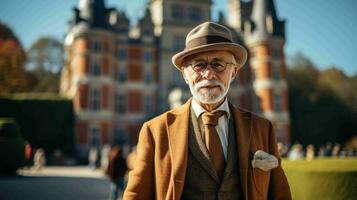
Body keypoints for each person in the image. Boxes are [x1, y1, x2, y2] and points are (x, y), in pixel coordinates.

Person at [123, 22, 291, 200]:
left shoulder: (262, 129)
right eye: (199, 65)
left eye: (218, 64)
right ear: (185, 75)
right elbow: (136, 195)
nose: (209, 74)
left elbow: (279, 195)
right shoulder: (154, 131)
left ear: (233, 72)